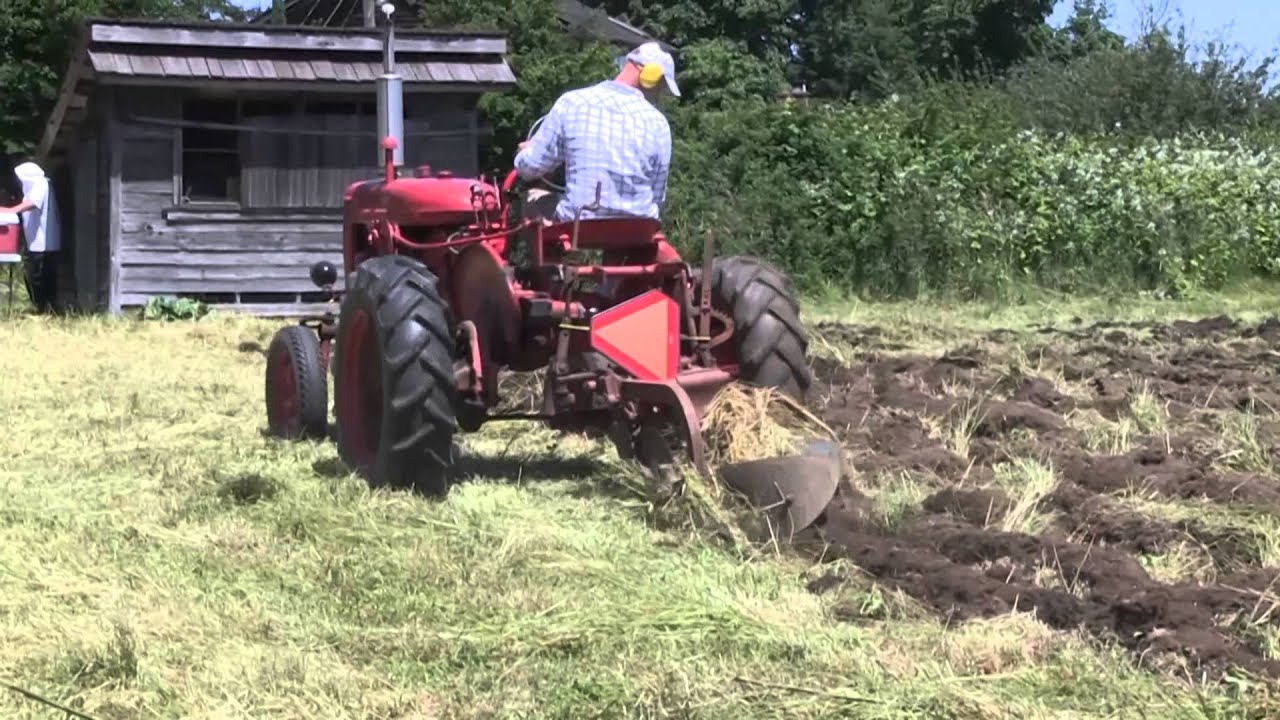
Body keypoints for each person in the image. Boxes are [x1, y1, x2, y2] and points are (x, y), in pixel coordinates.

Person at [514, 41, 679, 225]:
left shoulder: (572, 103)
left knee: (531, 198)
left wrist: (524, 154)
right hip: (639, 226)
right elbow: (657, 196)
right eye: (662, 85)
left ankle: (544, 255)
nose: (660, 93)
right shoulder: (659, 123)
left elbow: (531, 167)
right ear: (650, 75)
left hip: (580, 223)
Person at [1, 161, 60, 312]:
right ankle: (42, 306)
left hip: (44, 242)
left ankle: (45, 307)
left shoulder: (40, 183)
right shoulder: (33, 186)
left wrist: (11, 210)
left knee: (38, 275)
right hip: (35, 240)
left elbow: (32, 203)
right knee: (35, 274)